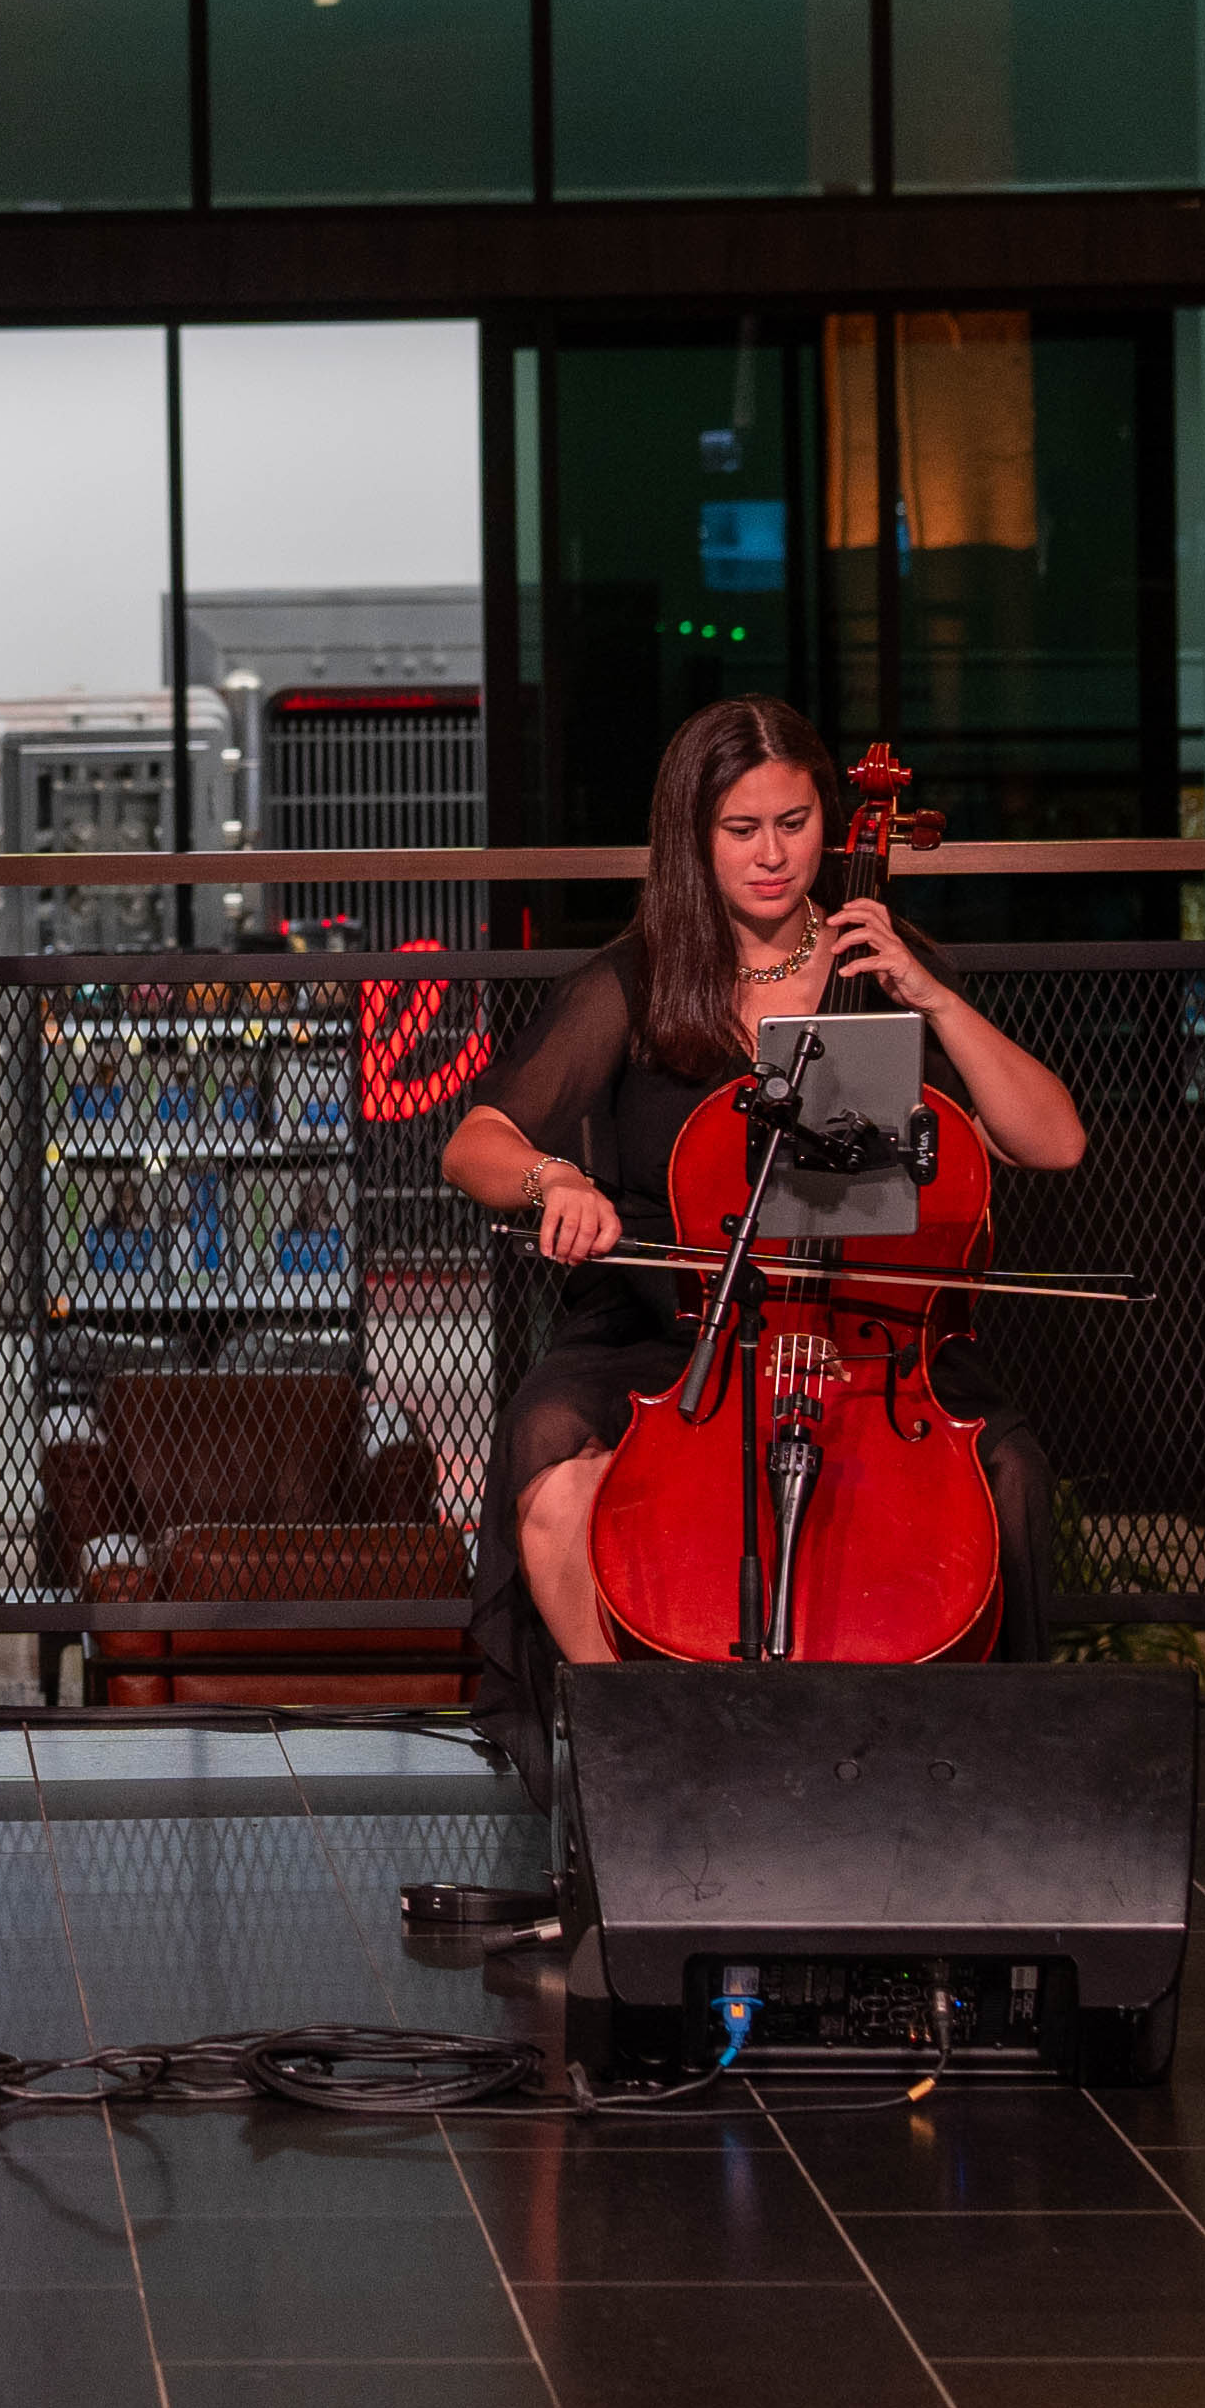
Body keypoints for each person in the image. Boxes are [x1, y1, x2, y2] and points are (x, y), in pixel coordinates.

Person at [443, 694, 1086, 1692]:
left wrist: (934, 999)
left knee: (1008, 1473)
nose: (773, 855)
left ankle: (948, 1749)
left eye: (794, 822)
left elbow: (1052, 1141)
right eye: (740, 829)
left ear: (830, 820)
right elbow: (474, 1141)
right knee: (554, 1457)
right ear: (692, 835)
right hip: (673, 1332)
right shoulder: (639, 980)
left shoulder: (884, 969)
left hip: (864, 1341)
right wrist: (550, 1177)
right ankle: (641, 1730)